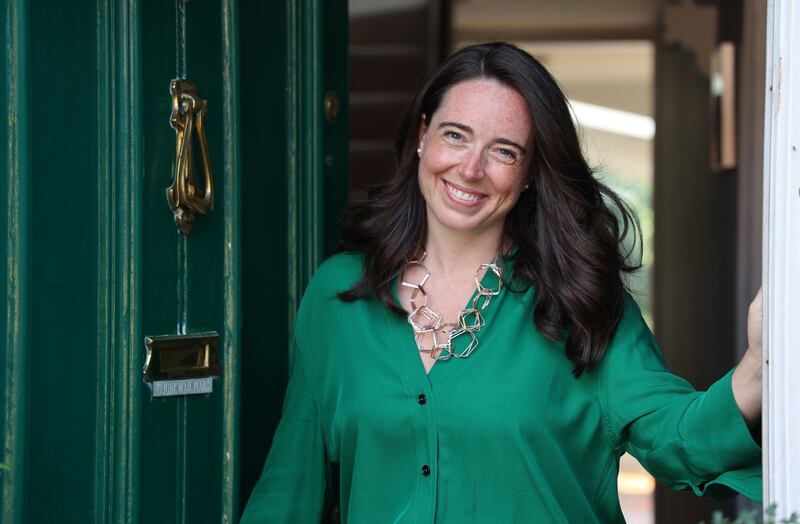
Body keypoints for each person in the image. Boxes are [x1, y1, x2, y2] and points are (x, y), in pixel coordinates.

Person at [240, 42, 762, 523]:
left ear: (531, 170)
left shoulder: (582, 302)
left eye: (504, 151)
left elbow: (676, 437)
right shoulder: (338, 295)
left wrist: (758, 369)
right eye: (455, 136)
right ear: (423, 135)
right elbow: (290, 490)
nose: (470, 169)